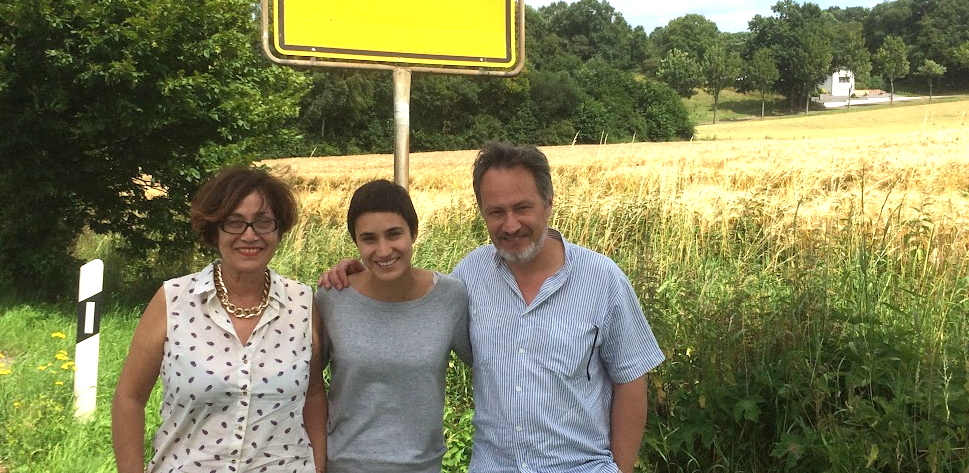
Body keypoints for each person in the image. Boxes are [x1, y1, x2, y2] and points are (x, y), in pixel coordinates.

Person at [321, 142, 665, 473]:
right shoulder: (470, 276)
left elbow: (631, 377)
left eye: (522, 208)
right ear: (482, 212)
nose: (511, 225)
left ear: (548, 203)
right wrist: (356, 274)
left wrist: (620, 468)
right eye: (496, 212)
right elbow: (413, 302)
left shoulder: (602, 278)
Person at [112, 166, 326, 473]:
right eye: (234, 222)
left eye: (263, 222)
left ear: (279, 229)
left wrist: (318, 468)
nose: (249, 235)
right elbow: (129, 398)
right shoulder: (173, 299)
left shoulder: (303, 302)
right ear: (214, 230)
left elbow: (314, 396)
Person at [315, 179, 472, 473]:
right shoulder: (332, 298)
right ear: (356, 242)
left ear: (413, 232)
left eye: (394, 234)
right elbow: (307, 387)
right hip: (345, 466)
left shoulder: (450, 297)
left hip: (422, 466)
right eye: (369, 238)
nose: (384, 250)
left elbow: (490, 366)